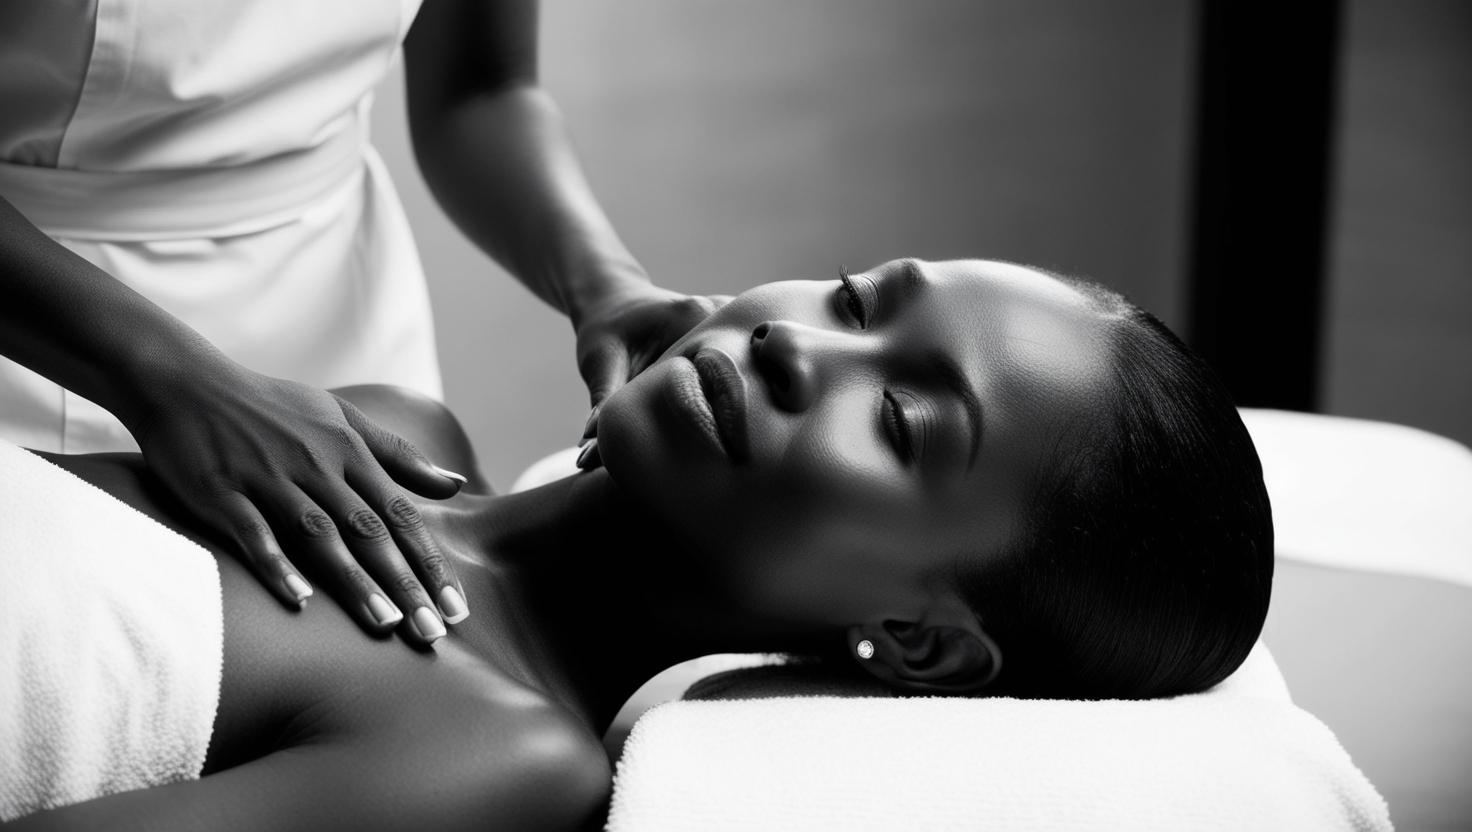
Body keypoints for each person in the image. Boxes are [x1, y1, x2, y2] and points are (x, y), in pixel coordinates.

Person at [0, 258, 1274, 830]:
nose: (794, 342)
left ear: (918, 639)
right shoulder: (394, 432)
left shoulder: (499, 758)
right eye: (853, 298)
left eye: (897, 419)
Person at [0, 0, 716, 647]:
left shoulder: (417, 430)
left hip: (333, 300)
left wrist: (606, 286)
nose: (766, 345)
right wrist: (166, 378)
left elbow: (480, 89)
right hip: (40, 307)